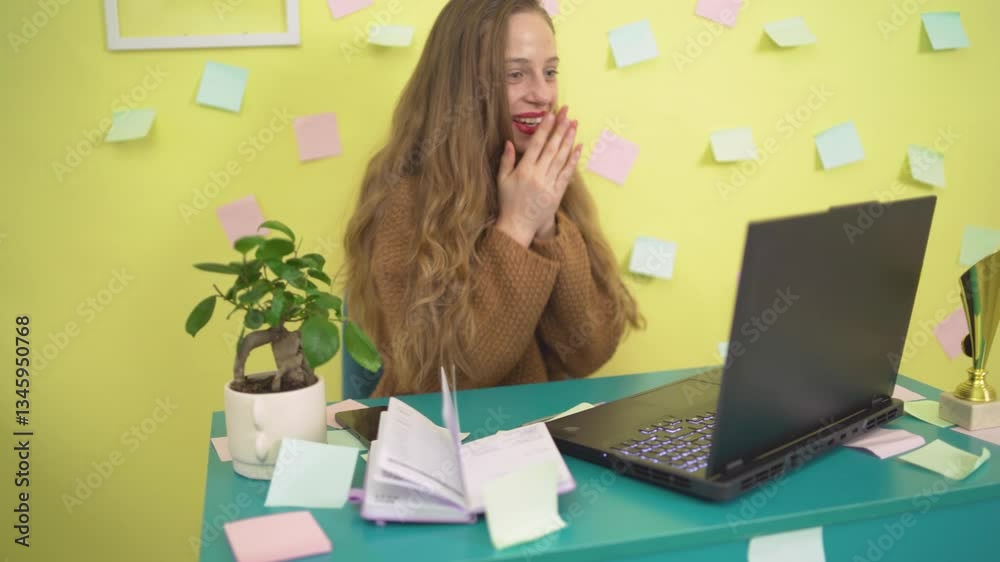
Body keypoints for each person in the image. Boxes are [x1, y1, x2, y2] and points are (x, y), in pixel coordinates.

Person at [343, 0, 644, 398]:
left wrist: (548, 227)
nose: (542, 94)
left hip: (538, 427)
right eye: (515, 74)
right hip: (436, 430)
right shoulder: (405, 194)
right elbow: (442, 380)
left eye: (550, 72)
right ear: (461, 87)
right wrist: (516, 227)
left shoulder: (543, 173)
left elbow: (590, 352)